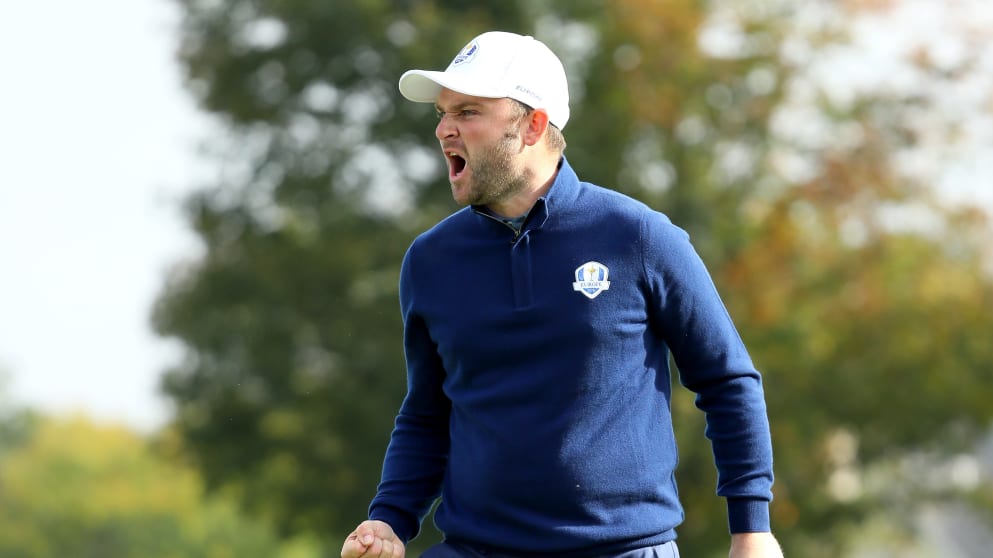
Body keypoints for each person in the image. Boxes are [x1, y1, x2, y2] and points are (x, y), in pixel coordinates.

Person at [341, 31, 784, 558]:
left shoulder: (638, 236)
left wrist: (752, 529)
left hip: (623, 550)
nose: (443, 129)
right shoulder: (430, 260)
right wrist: (389, 519)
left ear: (533, 125)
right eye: (442, 113)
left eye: (467, 112)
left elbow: (727, 381)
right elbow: (427, 414)